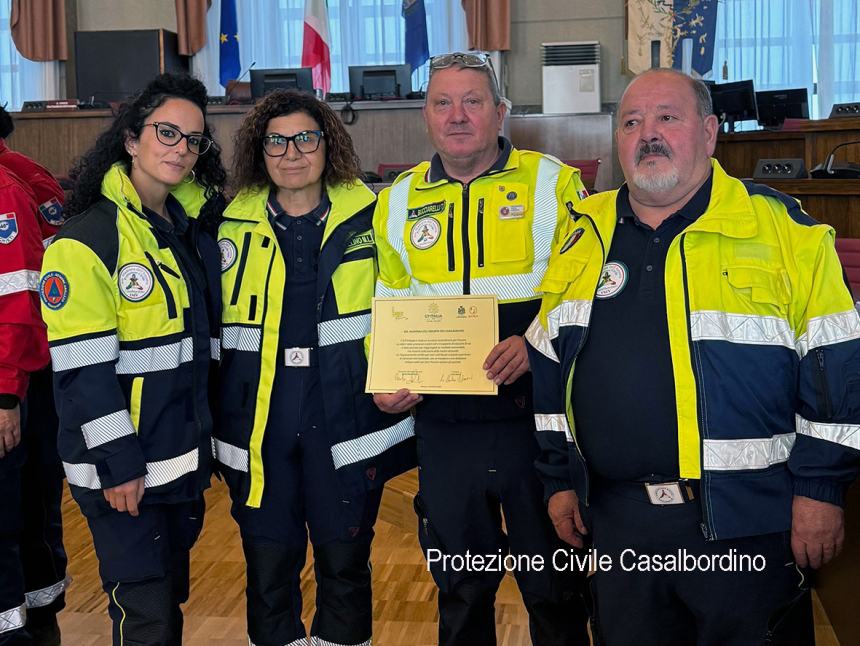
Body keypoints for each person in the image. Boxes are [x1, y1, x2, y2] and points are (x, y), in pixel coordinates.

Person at [526, 67, 860, 646]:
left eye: (667, 118)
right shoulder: (582, 232)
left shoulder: (782, 229)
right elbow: (552, 365)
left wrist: (821, 489)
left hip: (748, 522)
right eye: (631, 122)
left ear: (709, 133)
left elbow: (838, 367)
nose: (647, 134)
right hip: (619, 520)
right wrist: (558, 478)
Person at [372, 52, 589, 645]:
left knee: (555, 587)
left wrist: (534, 339)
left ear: (500, 111)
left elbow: (583, 289)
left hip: (535, 424)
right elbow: (386, 304)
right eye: (443, 102)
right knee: (462, 587)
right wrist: (388, 378)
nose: (458, 115)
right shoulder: (394, 202)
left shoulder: (553, 181)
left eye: (473, 101)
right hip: (445, 426)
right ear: (426, 116)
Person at [214, 89, 415, 646]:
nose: (292, 152)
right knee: (268, 567)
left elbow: (410, 303)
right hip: (260, 424)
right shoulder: (225, 226)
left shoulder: (377, 220)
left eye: (306, 138)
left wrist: (407, 373)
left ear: (329, 145)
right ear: (260, 150)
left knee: (345, 562)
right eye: (276, 140)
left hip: (347, 416)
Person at [39, 73, 225, 645]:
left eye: (193, 140)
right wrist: (119, 463)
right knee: (144, 617)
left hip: (178, 461)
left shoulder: (189, 226)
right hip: (123, 472)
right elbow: (82, 369)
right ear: (130, 139)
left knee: (166, 605)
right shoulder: (87, 241)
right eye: (166, 132)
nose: (180, 148)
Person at [0, 108, 68, 646]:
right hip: (28, 372)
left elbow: (20, 301)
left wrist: (6, 392)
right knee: (31, 508)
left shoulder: (9, 186)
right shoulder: (24, 172)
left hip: (19, 374)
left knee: (18, 512)